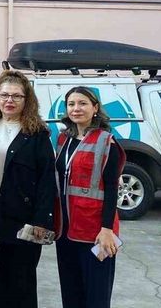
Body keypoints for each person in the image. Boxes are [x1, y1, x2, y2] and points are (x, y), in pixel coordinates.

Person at [0, 70, 56, 308]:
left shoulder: (37, 135)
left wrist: (42, 220)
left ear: (26, 100)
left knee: (22, 286)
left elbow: (46, 181)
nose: (9, 100)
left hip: (23, 221)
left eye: (16, 96)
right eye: (4, 95)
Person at [55, 87, 125, 308]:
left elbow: (112, 188)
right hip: (66, 230)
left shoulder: (106, 141)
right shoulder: (63, 139)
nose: (76, 108)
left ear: (95, 108)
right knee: (71, 292)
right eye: (71, 104)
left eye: (82, 103)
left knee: (96, 296)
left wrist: (107, 229)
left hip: (95, 231)